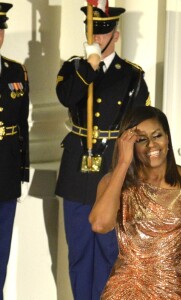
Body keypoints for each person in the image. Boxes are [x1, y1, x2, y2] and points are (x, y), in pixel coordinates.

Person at [55, 2, 150, 299]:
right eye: (92, 32)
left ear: (116, 36)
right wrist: (90, 66)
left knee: (111, 251)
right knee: (80, 251)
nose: (96, 37)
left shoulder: (132, 75)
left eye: (103, 32)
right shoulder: (73, 69)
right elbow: (67, 96)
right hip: (77, 167)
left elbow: (139, 127)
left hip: (113, 165)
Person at [89, 106, 181, 299]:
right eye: (141, 140)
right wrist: (123, 162)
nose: (151, 145)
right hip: (125, 291)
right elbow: (100, 224)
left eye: (157, 136)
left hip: (176, 290)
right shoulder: (115, 182)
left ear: (167, 138)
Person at [0, 3, 30, 300]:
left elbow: (22, 125)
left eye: (0, 28)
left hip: (5, 173)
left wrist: (23, 170)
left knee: (0, 252)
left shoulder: (15, 71)